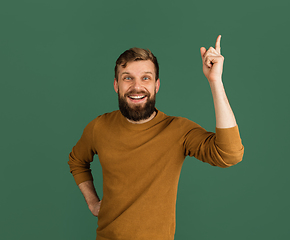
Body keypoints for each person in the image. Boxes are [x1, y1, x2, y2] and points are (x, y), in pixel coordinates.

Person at [68, 35, 244, 240]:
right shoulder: (99, 127)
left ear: (156, 85)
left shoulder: (178, 130)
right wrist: (92, 202)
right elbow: (77, 160)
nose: (136, 86)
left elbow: (230, 154)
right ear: (116, 85)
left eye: (146, 78)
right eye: (127, 77)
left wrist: (215, 81)